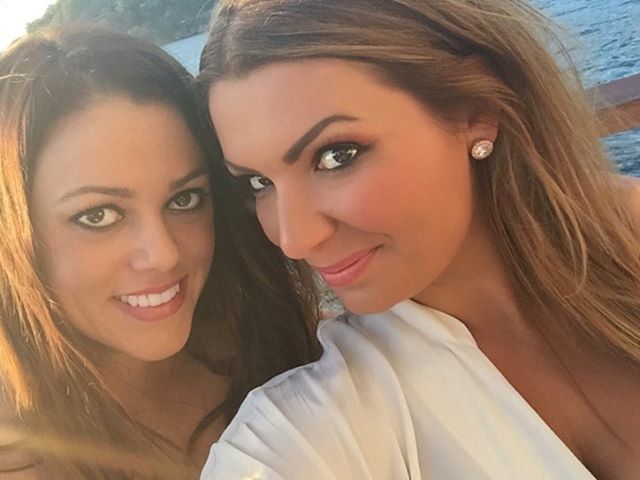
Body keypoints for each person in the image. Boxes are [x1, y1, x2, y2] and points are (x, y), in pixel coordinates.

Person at [198, 0, 640, 478]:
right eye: (259, 182)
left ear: (476, 111)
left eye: (336, 156)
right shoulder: (310, 431)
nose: (294, 240)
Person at [0, 27, 319, 479]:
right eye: (99, 216)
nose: (164, 254)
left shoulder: (292, 348)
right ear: (14, 234)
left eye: (184, 199)